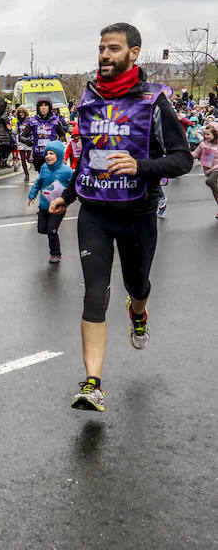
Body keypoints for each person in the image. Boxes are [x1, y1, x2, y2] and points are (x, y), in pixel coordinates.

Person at [48, 22, 193, 412]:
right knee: (94, 295)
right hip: (94, 213)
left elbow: (183, 159)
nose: (104, 56)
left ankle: (138, 312)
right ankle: (92, 383)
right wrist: (65, 194)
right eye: (101, 49)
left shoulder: (155, 100)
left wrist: (141, 166)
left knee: (138, 284)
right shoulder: (89, 97)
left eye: (113, 48)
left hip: (138, 214)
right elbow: (86, 158)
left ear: (134, 53)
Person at [28, 141, 74, 263]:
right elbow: (38, 182)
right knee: (42, 229)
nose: (48, 156)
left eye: (52, 153)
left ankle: (55, 254)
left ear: (58, 155)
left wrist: (67, 201)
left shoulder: (67, 171)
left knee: (51, 231)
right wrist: (32, 195)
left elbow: (75, 186)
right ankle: (42, 218)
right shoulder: (44, 168)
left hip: (58, 207)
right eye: (46, 154)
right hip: (44, 205)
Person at [20, 98, 65, 173]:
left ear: (49, 108)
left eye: (46, 105)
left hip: (51, 155)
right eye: (41, 105)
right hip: (38, 155)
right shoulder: (33, 121)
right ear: (38, 108)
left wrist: (56, 144)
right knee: (42, 176)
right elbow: (22, 137)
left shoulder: (55, 121)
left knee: (51, 176)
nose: (43, 108)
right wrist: (29, 142)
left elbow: (62, 135)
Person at [191, 123, 218, 217]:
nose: (206, 136)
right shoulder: (202, 144)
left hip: (217, 169)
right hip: (209, 169)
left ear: (214, 134)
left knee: (209, 181)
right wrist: (185, 154)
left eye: (208, 134)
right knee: (213, 189)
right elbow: (195, 154)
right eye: (205, 134)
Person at [14, 106, 32, 180]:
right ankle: (26, 174)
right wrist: (9, 130)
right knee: (23, 159)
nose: (21, 114)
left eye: (22, 112)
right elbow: (15, 131)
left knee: (28, 158)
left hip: (28, 140)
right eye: (19, 113)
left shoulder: (29, 120)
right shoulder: (18, 122)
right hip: (20, 141)